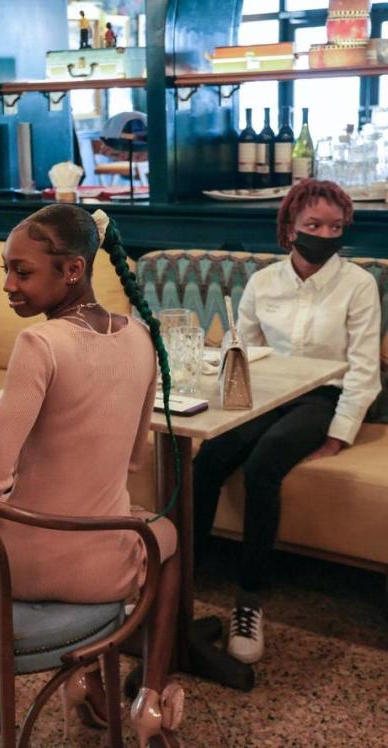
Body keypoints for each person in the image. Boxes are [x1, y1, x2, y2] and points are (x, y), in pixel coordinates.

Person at [0, 205, 183, 748]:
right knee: (168, 541)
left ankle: (89, 681)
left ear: (73, 270)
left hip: (20, 565)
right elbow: (134, 461)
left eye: (21, 272)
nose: (8, 285)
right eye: (6, 270)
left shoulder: (41, 344)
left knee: (11, 513)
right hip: (100, 562)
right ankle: (148, 694)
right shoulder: (142, 337)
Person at [193, 179, 382, 665]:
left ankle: (249, 600)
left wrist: (339, 436)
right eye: (314, 224)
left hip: (322, 397)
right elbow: (245, 352)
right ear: (289, 229)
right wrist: (221, 407)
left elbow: (363, 369)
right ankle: (178, 583)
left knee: (263, 468)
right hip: (268, 392)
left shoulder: (357, 285)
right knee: (209, 457)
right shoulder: (264, 282)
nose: (325, 233)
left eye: (336, 226)